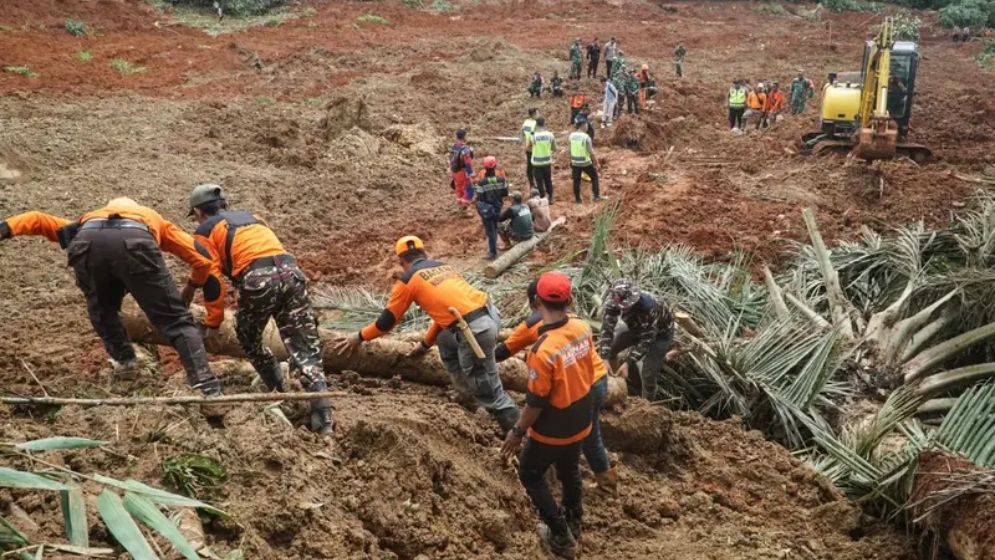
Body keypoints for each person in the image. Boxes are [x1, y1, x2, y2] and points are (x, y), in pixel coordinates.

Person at [0, 199, 225, 410]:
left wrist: (5, 227)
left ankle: (126, 364)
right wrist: (192, 286)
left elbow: (38, 219)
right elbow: (202, 258)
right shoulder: (155, 221)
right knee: (176, 321)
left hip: (87, 241)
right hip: (136, 243)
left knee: (103, 311)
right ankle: (206, 387)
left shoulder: (88, 220)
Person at [186, 184, 333, 433]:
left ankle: (278, 390)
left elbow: (212, 280)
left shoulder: (203, 231)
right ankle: (323, 415)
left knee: (248, 336)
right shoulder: (254, 218)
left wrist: (213, 321)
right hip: (292, 274)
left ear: (199, 212)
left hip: (258, 278)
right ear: (224, 205)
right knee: (305, 348)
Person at [332, 237, 519, 431]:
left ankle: (515, 432)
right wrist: (425, 344)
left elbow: (386, 323)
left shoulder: (408, 280)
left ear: (401, 262)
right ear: (424, 254)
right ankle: (466, 395)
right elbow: (447, 315)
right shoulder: (444, 267)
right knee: (445, 339)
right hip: (489, 316)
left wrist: (359, 337)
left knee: (488, 387)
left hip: (474, 331)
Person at [501, 272, 596, 558]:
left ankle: (561, 536)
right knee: (569, 470)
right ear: (571, 300)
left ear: (536, 301)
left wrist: (517, 432)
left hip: (555, 424)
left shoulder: (542, 350)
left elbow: (535, 402)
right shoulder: (582, 327)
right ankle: (574, 521)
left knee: (530, 473)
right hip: (583, 415)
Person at [496, 280, 616, 492]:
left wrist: (482, 356)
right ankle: (598, 479)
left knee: (581, 434)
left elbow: (505, 351)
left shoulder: (533, 326)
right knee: (588, 433)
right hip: (596, 378)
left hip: (581, 384)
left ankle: (601, 483)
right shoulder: (574, 321)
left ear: (535, 302)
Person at [597, 279, 675, 401]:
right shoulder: (613, 301)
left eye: (626, 307)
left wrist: (628, 362)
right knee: (612, 348)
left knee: (648, 373)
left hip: (660, 334)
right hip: (635, 326)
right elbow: (607, 330)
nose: (623, 309)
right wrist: (605, 357)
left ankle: (646, 405)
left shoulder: (651, 307)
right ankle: (614, 382)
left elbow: (646, 341)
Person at [471, 156, 509, 260]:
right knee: (495, 225)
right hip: (498, 206)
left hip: (487, 209)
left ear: (484, 168)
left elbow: (480, 197)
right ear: (495, 166)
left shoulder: (481, 182)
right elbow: (505, 193)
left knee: (490, 230)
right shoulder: (501, 180)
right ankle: (498, 244)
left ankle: (492, 252)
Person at [569, 119, 600, 203]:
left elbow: (570, 149)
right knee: (594, 177)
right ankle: (596, 196)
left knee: (576, 181)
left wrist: (571, 160)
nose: (587, 127)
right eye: (586, 125)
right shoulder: (586, 137)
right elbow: (591, 152)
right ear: (582, 126)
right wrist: (596, 163)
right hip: (585, 162)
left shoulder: (571, 136)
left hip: (575, 162)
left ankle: (578, 199)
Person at [529, 117, 556, 204]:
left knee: (539, 182)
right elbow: (554, 148)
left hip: (536, 163)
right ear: (544, 124)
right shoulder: (550, 135)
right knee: (548, 180)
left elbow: (528, 147)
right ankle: (551, 198)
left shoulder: (533, 135)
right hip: (546, 161)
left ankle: (543, 198)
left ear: (536, 125)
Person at [448, 129, 474, 207]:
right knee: (468, 190)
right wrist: (471, 173)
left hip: (454, 171)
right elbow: (468, 162)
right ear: (464, 137)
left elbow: (450, 158)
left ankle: (460, 206)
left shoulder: (453, 146)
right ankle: (465, 209)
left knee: (458, 189)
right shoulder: (465, 149)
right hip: (462, 172)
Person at [521, 108, 538, 192]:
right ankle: (536, 183)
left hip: (527, 146)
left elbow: (522, 134)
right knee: (535, 165)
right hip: (533, 146)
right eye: (537, 113)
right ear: (534, 114)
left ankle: (531, 182)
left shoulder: (525, 123)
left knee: (529, 165)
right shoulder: (535, 123)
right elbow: (533, 135)